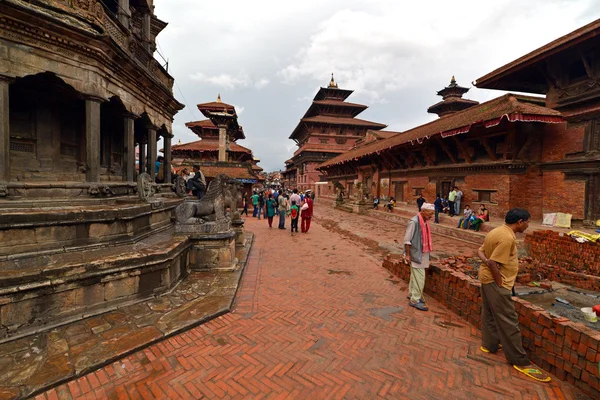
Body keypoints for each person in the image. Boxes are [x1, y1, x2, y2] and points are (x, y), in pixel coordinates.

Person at [477, 208, 551, 383]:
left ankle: (489, 345)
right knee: (508, 320)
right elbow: (494, 262)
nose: (528, 225)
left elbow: (480, 251)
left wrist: (487, 262)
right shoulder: (507, 237)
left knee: (489, 313)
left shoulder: (495, 231)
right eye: (528, 222)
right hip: (496, 282)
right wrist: (500, 282)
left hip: (486, 280)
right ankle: (519, 361)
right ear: (519, 222)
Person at [404, 203, 435, 311]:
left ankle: (412, 294)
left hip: (423, 253)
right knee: (420, 278)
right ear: (423, 211)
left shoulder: (425, 222)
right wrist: (408, 255)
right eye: (430, 214)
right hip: (416, 254)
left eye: (432, 214)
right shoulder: (414, 222)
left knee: (415, 276)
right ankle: (415, 300)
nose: (431, 216)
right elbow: (407, 240)